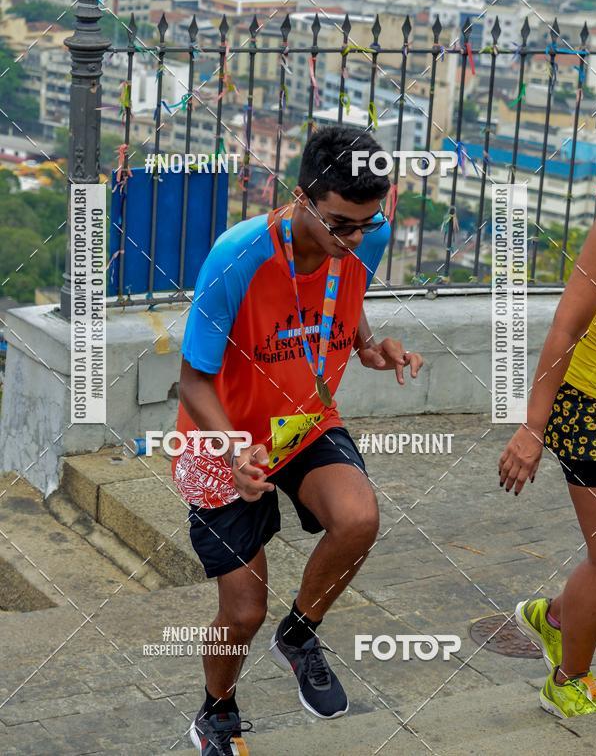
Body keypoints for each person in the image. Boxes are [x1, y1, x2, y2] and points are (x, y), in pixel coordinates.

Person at [173, 126, 424, 755]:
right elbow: (192, 381)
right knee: (243, 612)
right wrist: (235, 449)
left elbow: (345, 292)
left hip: (305, 420)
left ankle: (301, 632)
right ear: (302, 197)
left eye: (367, 223)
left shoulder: (365, 234)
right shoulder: (237, 255)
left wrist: (368, 345)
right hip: (224, 439)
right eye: (340, 224)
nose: (355, 239)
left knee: (359, 519)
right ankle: (216, 712)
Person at [499, 214, 596, 718]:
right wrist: (533, 427)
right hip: (590, 409)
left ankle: (556, 618)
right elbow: (568, 323)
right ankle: (567, 682)